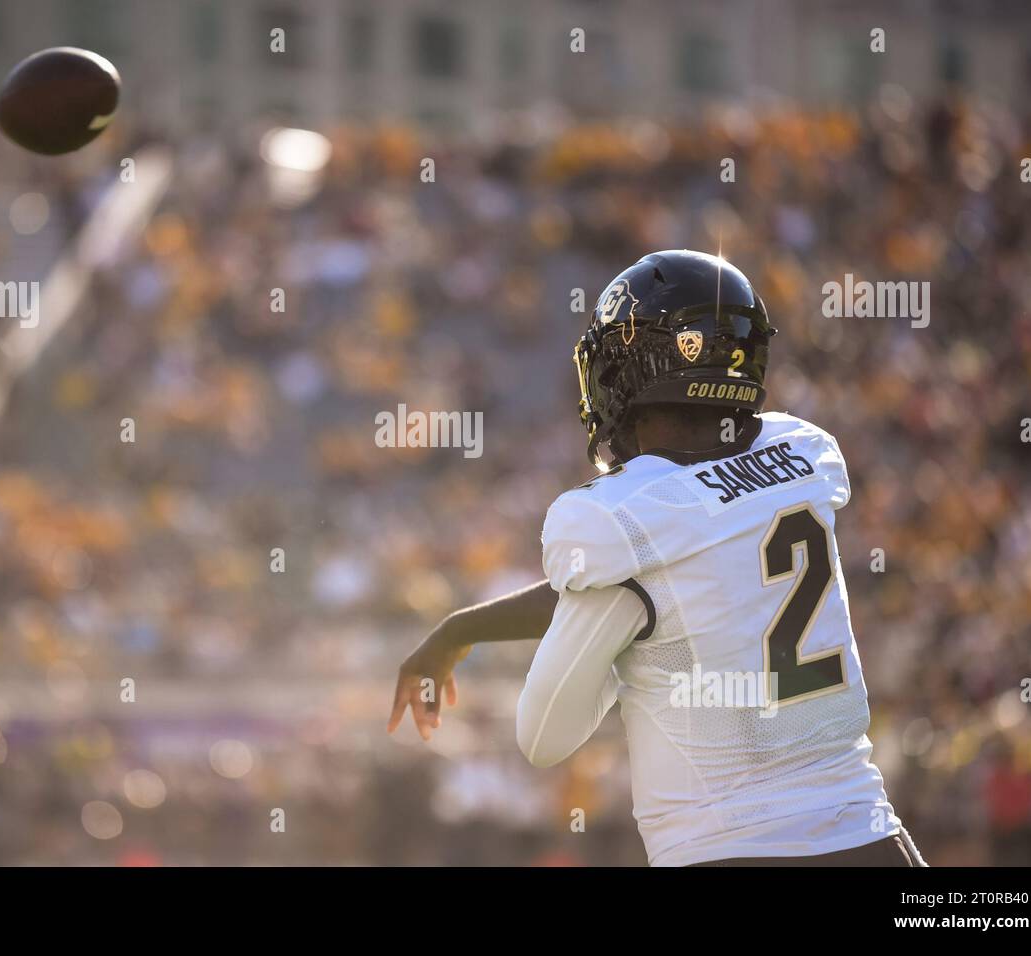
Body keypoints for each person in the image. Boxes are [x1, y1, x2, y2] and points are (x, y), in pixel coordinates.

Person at [388, 249, 924, 866]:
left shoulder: (618, 516)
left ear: (635, 370)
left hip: (724, 850)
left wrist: (617, 657)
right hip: (870, 839)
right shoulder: (803, 454)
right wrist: (464, 627)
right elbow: (693, 550)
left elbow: (545, 733)